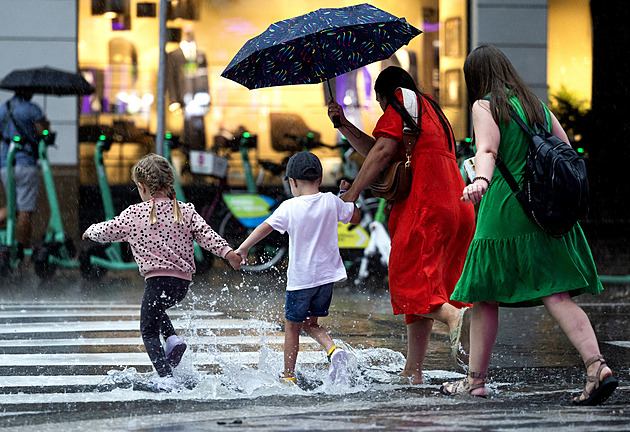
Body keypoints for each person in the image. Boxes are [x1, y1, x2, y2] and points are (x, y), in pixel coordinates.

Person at [441, 45, 618, 406]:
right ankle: (596, 366)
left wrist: (481, 182)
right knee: (556, 293)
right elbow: (564, 150)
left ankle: (475, 381)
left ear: (476, 77)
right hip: (545, 210)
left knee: (483, 295)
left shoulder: (484, 105)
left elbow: (487, 151)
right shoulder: (536, 105)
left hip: (506, 209)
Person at [327, 66, 476, 384]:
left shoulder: (399, 99)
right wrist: (343, 126)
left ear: (385, 94)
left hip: (427, 203)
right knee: (426, 285)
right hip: (456, 204)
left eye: (379, 103)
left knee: (409, 280)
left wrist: (352, 193)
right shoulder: (428, 108)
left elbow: (381, 153)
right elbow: (382, 149)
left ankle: (453, 316)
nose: (383, 111)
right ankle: (413, 371)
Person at [83, 153, 242, 391]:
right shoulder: (185, 211)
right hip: (181, 285)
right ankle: (172, 338)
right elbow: (206, 235)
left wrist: (90, 231)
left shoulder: (134, 214)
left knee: (147, 329)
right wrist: (228, 252)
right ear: (169, 184)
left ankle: (166, 377)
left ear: (142, 187)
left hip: (157, 282)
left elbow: (109, 229)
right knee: (156, 310)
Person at [235, 152, 361, 385]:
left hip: (301, 280)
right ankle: (334, 351)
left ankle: (288, 376)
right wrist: (344, 196)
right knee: (310, 324)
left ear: (292, 182)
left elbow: (265, 227)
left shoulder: (290, 206)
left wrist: (242, 249)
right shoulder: (331, 201)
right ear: (320, 180)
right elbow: (355, 218)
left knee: (292, 328)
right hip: (326, 279)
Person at [0, 89, 48, 250]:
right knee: (24, 211)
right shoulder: (32, 108)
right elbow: (43, 132)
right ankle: (23, 251)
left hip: (6, 164)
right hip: (26, 163)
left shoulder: (3, 108)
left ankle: (10, 247)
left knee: (13, 206)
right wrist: (45, 127)